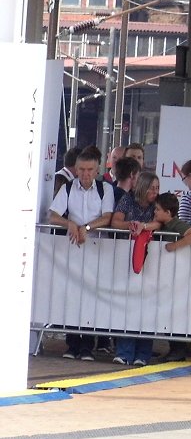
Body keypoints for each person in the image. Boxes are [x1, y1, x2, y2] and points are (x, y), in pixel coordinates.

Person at [48, 146, 115, 360]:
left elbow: (107, 217)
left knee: (91, 298)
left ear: (97, 170)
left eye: (90, 169)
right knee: (72, 296)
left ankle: (88, 344)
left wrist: (85, 227)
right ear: (76, 169)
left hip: (97, 250)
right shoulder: (68, 188)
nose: (86, 174)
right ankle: (73, 344)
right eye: (82, 169)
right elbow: (53, 215)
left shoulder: (106, 189)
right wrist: (70, 223)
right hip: (74, 250)